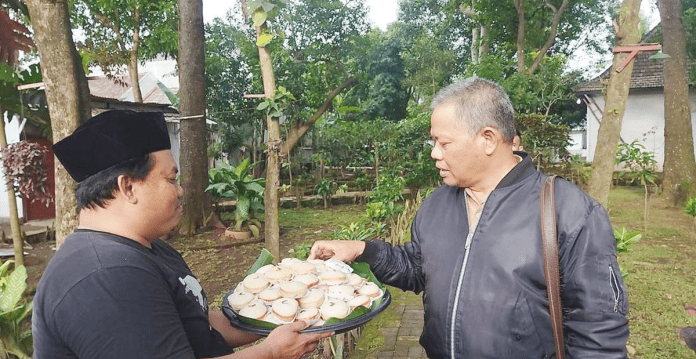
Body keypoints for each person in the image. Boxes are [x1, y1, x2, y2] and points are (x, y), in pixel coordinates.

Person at [310, 78, 630, 358]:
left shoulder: (568, 212)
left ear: (487, 139)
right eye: (433, 141)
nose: (435, 153)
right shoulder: (437, 205)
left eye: (444, 142)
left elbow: (598, 335)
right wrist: (361, 249)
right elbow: (418, 268)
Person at [32, 110, 332, 359]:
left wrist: (291, 315)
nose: (181, 190)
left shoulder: (147, 249)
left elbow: (201, 325)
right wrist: (271, 353)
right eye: (171, 178)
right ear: (128, 187)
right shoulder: (105, 276)